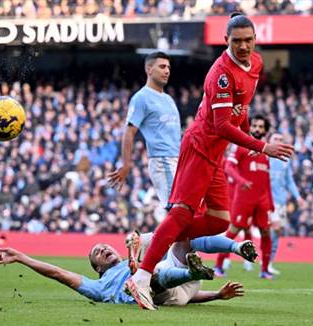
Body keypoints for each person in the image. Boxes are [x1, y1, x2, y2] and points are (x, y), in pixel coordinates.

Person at [124, 12, 294, 309]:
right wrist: (261, 145)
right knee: (181, 215)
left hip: (216, 153)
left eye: (248, 40)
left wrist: (246, 141)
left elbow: (241, 110)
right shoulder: (221, 74)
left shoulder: (255, 63)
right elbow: (220, 125)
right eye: (237, 41)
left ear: (256, 39)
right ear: (225, 40)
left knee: (219, 220)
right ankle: (141, 278)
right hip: (200, 147)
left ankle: (151, 240)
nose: (243, 46)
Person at [0, 234, 255, 308]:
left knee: (182, 238)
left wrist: (217, 295)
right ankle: (194, 272)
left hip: (179, 284)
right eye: (98, 252)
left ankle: (235, 245)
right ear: (97, 267)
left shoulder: (133, 258)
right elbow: (58, 273)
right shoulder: (100, 287)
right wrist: (22, 257)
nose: (104, 248)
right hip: (164, 293)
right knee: (150, 275)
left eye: (105, 246)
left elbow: (188, 297)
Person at [108, 51, 181, 211]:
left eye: (168, 67)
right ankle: (145, 238)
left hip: (179, 160)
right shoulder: (141, 98)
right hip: (163, 160)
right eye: (162, 67)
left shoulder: (168, 99)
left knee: (183, 216)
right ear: (149, 69)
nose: (167, 71)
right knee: (177, 212)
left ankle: (143, 238)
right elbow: (129, 132)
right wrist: (126, 165)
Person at [214, 114, 275, 279]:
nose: (257, 129)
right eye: (255, 125)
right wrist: (242, 181)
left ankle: (265, 270)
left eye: (261, 127)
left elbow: (266, 179)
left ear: (265, 130)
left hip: (262, 200)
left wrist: (270, 203)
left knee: (266, 232)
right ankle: (218, 266)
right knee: (233, 231)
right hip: (244, 198)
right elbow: (228, 167)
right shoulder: (241, 147)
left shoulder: (266, 151)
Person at [268, 132, 305, 275]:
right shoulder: (264, 156)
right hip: (264, 201)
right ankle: (247, 259)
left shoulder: (285, 159)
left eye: (281, 140)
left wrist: (298, 197)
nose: (278, 141)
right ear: (269, 140)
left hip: (280, 203)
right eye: (275, 139)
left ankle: (268, 263)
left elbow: (289, 181)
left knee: (276, 233)